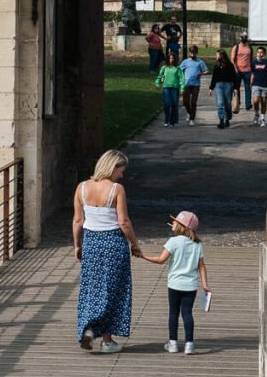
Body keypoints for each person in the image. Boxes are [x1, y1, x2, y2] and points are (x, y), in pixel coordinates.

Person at [73, 149, 141, 354]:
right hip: (113, 243)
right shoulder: (116, 189)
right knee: (114, 290)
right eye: (121, 170)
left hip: (91, 243)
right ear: (112, 167)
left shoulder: (82, 188)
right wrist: (135, 244)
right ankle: (107, 341)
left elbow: (78, 220)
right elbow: (123, 221)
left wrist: (77, 245)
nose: (122, 175)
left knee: (92, 288)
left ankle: (89, 329)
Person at [139, 210, 210, 355]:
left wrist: (143, 256)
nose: (173, 223)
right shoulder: (197, 244)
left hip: (174, 285)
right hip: (190, 286)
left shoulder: (173, 242)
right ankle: (189, 344)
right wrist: (205, 284)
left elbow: (160, 260)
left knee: (173, 313)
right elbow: (201, 266)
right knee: (187, 313)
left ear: (182, 226)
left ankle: (173, 343)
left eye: (175, 221)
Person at [179, 45, 208, 125]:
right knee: (185, 101)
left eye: (194, 53)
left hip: (196, 84)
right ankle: (189, 112)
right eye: (191, 53)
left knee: (193, 102)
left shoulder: (200, 62)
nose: (192, 55)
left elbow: (206, 71)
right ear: (189, 53)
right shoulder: (185, 61)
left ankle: (192, 119)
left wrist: (201, 73)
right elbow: (179, 70)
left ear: (196, 53)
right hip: (187, 83)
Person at [155, 51, 185, 128]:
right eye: (170, 58)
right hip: (166, 88)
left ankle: (172, 121)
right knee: (167, 104)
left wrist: (182, 88)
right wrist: (157, 84)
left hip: (175, 89)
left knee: (174, 105)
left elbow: (181, 79)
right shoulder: (164, 68)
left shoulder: (178, 68)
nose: (171, 59)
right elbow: (159, 77)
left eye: (172, 58)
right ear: (167, 59)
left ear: (175, 59)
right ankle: (166, 119)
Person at [209, 48, 237, 129]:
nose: (216, 56)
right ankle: (221, 120)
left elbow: (234, 76)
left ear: (221, 55)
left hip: (228, 85)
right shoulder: (216, 65)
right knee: (220, 103)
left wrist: (235, 88)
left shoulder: (230, 65)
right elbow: (214, 77)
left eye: (217, 54)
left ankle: (227, 119)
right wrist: (211, 88)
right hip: (218, 85)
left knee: (227, 103)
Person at [251, 46, 267, 127]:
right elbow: (252, 74)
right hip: (256, 84)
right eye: (258, 52)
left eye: (261, 52)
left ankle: (262, 118)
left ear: (264, 53)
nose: (260, 54)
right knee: (256, 101)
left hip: (265, 85)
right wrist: (251, 83)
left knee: (264, 102)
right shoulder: (253, 62)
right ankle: (256, 113)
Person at [231, 32, 253, 111]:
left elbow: (251, 59)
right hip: (238, 71)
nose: (244, 38)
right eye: (242, 37)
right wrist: (235, 68)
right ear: (240, 38)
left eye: (245, 37)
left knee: (248, 88)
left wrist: (251, 70)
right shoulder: (236, 47)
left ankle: (248, 104)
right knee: (237, 88)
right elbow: (232, 59)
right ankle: (238, 103)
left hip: (247, 70)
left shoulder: (249, 47)